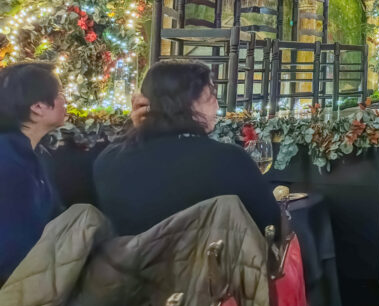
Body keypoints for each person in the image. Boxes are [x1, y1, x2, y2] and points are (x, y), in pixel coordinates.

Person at [94, 60, 279, 236]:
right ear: (187, 103)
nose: (216, 104)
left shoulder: (109, 160)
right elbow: (271, 226)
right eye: (210, 96)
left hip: (130, 267)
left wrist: (138, 126)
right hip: (213, 267)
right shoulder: (228, 160)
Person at [0, 62, 66, 281]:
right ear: (37, 107)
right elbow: (13, 248)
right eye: (59, 95)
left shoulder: (33, 155)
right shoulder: (9, 162)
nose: (64, 101)